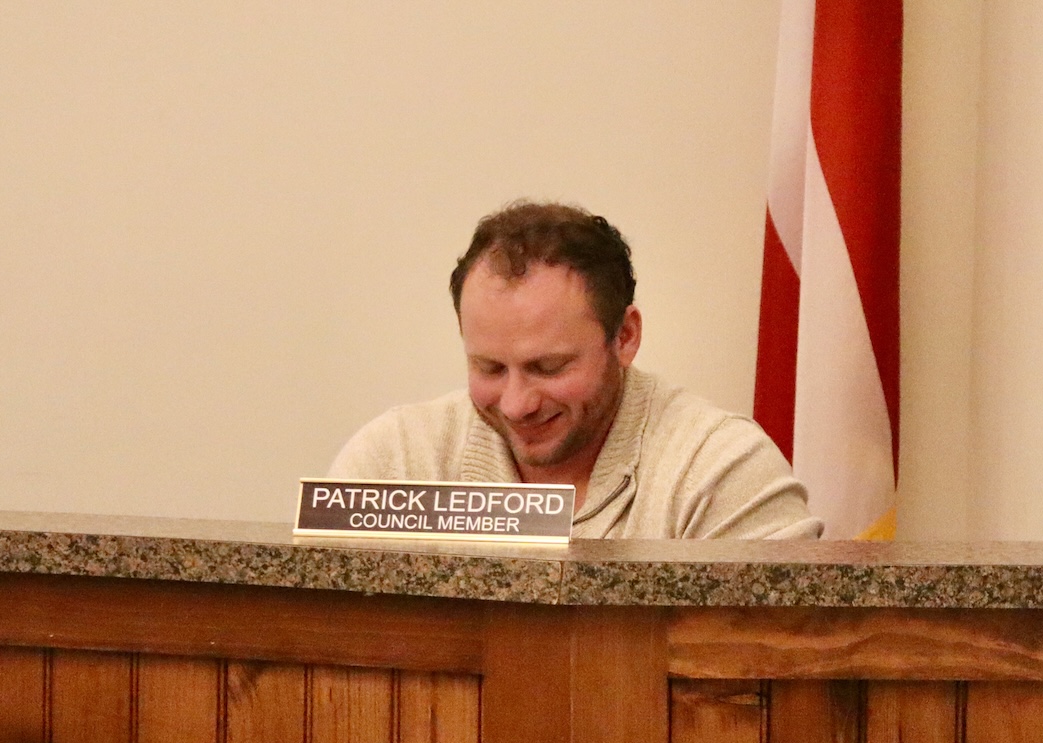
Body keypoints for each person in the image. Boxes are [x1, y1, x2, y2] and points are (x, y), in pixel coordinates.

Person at [329, 201, 821, 539]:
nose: (517, 404)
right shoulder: (395, 462)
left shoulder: (720, 472)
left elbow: (790, 649)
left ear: (624, 337)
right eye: (490, 368)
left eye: (549, 367)